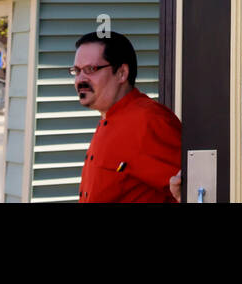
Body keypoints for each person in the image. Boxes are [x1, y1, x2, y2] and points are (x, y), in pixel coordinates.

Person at [73, 31, 182, 203]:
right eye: (77, 71)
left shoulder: (149, 120)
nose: (80, 79)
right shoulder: (108, 118)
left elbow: (195, 189)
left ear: (122, 73)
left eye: (90, 69)